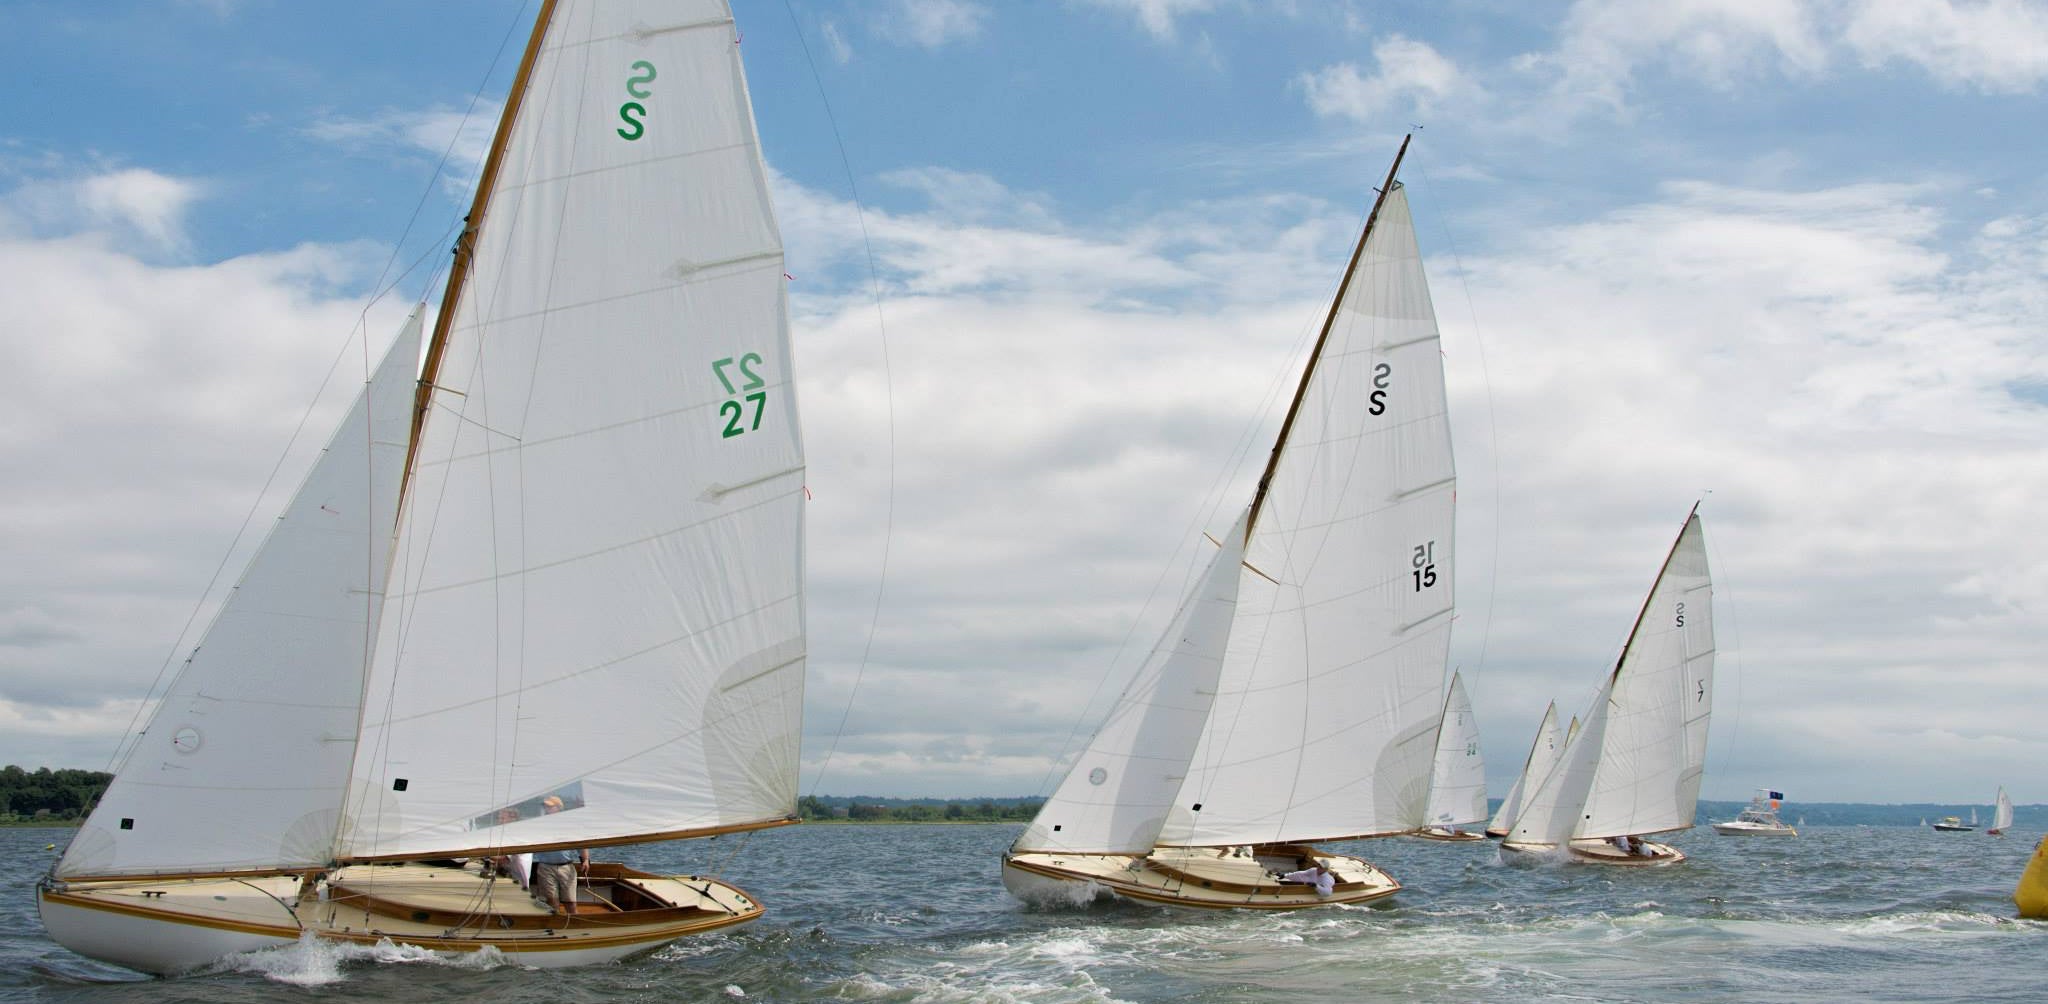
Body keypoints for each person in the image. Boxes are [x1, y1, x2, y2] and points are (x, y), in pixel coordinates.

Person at [529, 795, 588, 915]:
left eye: (550, 806)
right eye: (545, 806)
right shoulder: (539, 825)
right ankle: (555, 924)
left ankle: (575, 923)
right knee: (551, 901)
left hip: (566, 867)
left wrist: (585, 860)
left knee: (570, 902)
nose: (547, 808)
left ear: (559, 808)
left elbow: (581, 843)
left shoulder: (569, 825)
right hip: (545, 867)